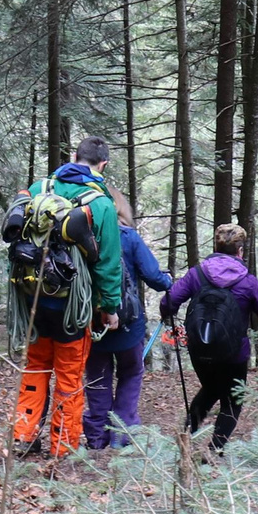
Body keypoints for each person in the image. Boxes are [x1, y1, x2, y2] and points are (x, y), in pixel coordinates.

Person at [10, 135, 124, 458]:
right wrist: (109, 308)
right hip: (72, 309)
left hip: (33, 300)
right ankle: (62, 449)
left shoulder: (39, 189)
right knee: (69, 378)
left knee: (35, 370)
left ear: (74, 156)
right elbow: (108, 264)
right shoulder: (101, 203)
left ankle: (23, 435)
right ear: (103, 165)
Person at [158, 223, 258, 452]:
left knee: (212, 388)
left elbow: (168, 303)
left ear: (216, 246)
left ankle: (185, 439)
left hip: (199, 348)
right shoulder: (248, 281)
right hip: (234, 353)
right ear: (240, 251)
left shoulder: (197, 274)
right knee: (233, 400)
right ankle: (214, 451)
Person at [85, 187, 171, 450]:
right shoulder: (129, 237)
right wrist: (169, 280)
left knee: (98, 378)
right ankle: (122, 436)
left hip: (94, 322)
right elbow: (155, 278)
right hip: (128, 325)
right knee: (131, 373)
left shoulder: (83, 238)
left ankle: (97, 437)